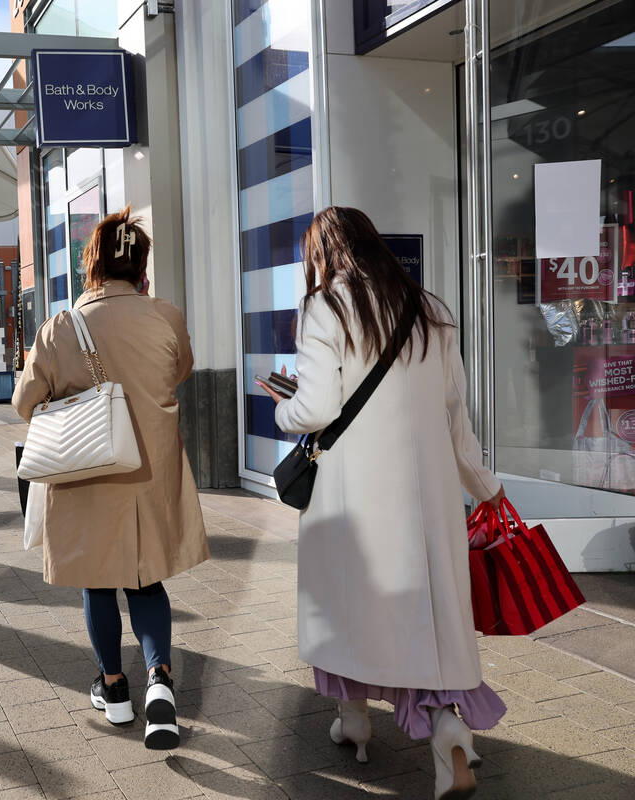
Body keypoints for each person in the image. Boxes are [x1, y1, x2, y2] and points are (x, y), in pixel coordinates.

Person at [257, 207, 506, 800]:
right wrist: (487, 488)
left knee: (349, 608)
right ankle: (447, 733)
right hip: (428, 501)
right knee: (424, 621)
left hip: (352, 497)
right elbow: (456, 420)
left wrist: (281, 408)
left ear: (325, 255)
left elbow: (315, 409)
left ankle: (355, 720)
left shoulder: (328, 306)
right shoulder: (433, 310)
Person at [12, 207, 208, 751]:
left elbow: (24, 403)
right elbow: (180, 370)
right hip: (148, 472)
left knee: (97, 580)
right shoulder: (165, 317)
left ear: (90, 265)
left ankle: (115, 690)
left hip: (86, 471)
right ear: (141, 266)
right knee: (145, 580)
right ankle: (162, 681)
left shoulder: (59, 329)